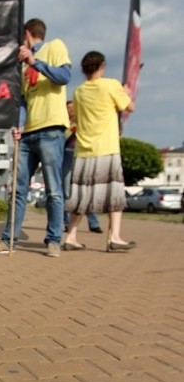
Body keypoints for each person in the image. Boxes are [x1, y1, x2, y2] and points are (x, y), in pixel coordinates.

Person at [0, 18, 71, 258]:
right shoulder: (22, 66)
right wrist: (19, 124)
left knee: (53, 189)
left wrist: (35, 61)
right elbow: (23, 100)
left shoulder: (55, 46)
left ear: (26, 34)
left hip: (51, 128)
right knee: (18, 190)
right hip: (28, 132)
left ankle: (53, 240)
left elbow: (64, 76)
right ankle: (7, 239)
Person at [64, 51, 135, 252]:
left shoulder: (78, 91)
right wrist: (126, 93)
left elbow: (76, 116)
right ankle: (114, 237)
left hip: (84, 149)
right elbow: (130, 107)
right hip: (107, 148)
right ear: (102, 66)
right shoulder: (111, 85)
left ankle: (71, 236)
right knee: (114, 195)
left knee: (79, 197)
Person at [63, 101, 102, 235]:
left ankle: (94, 222)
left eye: (73, 108)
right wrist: (71, 130)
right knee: (67, 191)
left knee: (86, 190)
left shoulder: (83, 121)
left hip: (82, 155)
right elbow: (62, 139)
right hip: (67, 154)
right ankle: (67, 223)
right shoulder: (63, 123)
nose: (71, 110)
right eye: (68, 108)